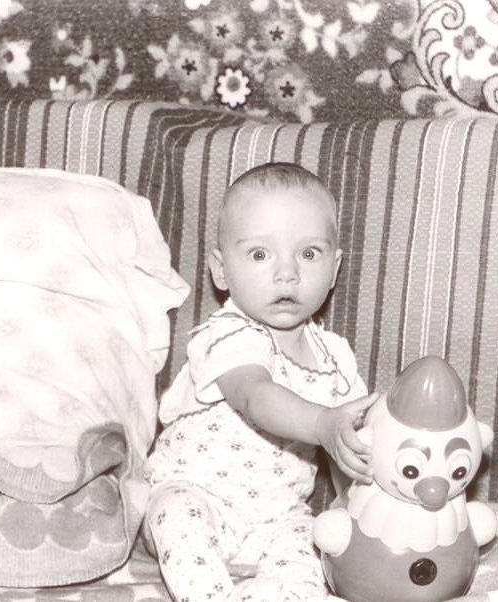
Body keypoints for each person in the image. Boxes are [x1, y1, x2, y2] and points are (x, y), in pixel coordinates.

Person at [143, 162, 375, 602]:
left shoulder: (336, 358)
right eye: (259, 255)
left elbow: (349, 444)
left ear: (334, 269)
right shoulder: (226, 335)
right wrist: (323, 423)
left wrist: (358, 508)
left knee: (311, 551)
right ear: (221, 270)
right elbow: (255, 395)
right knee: (180, 518)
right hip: (196, 494)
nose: (287, 273)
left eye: (309, 254)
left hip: (278, 516)